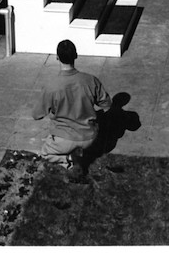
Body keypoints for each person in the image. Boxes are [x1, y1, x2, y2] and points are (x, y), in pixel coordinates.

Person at [33, 39, 112, 179]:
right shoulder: (90, 80)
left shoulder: (51, 86)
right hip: (89, 137)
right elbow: (106, 104)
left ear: (57, 57)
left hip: (63, 139)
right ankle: (81, 153)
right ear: (76, 55)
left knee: (45, 153)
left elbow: (37, 115)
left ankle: (68, 160)